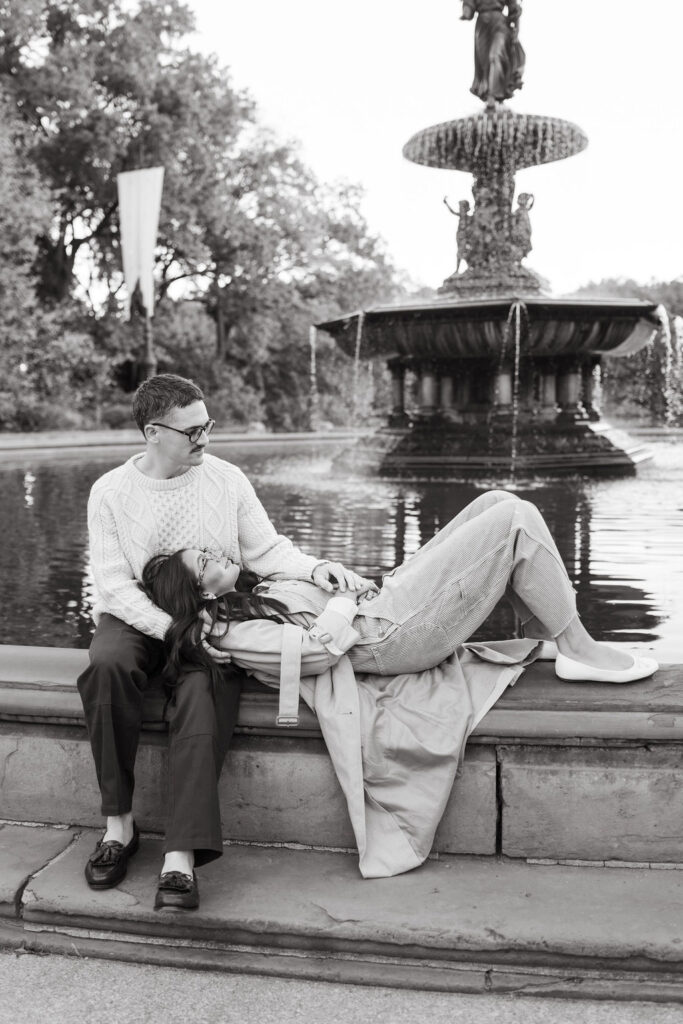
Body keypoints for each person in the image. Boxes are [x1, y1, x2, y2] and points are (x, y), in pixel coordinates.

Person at [141, 491, 658, 878]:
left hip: (384, 604)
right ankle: (577, 646)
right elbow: (318, 652)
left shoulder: (250, 590)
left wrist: (327, 577)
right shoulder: (229, 630)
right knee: (515, 520)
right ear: (199, 594)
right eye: (203, 562)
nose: (214, 554)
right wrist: (344, 602)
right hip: (390, 637)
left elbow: (310, 605)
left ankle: (550, 632)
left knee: (497, 502)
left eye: (205, 551)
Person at [77, 373, 372, 910]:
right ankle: (118, 826)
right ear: (152, 432)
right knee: (108, 664)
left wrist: (317, 567)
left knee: (203, 686)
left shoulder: (226, 479)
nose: (205, 439)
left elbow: (266, 550)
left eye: (207, 425)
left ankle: (180, 855)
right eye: (192, 431)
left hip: (212, 613)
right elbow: (115, 586)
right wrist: (175, 631)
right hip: (139, 613)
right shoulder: (110, 492)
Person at [460, 0, 525, 107]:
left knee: (495, 56)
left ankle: (493, 95)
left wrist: (516, 30)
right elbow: (469, 6)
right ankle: (491, 93)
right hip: (482, 27)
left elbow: (514, 8)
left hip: (500, 24)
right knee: (485, 64)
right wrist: (467, 9)